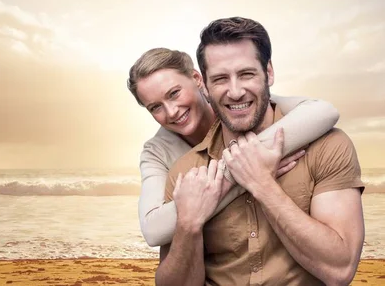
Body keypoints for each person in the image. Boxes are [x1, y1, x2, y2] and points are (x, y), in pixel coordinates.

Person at [157, 17, 365, 285]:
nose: (235, 91)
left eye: (246, 74)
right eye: (220, 79)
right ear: (205, 86)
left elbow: (340, 269)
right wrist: (188, 225)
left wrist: (262, 185)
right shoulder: (186, 172)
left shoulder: (328, 147)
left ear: (268, 73)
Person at [129, 48, 340, 248]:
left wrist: (202, 197)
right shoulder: (157, 152)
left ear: (196, 78)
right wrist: (240, 176)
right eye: (155, 107)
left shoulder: (236, 105)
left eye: (174, 93)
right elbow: (153, 230)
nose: (172, 111)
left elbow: (324, 112)